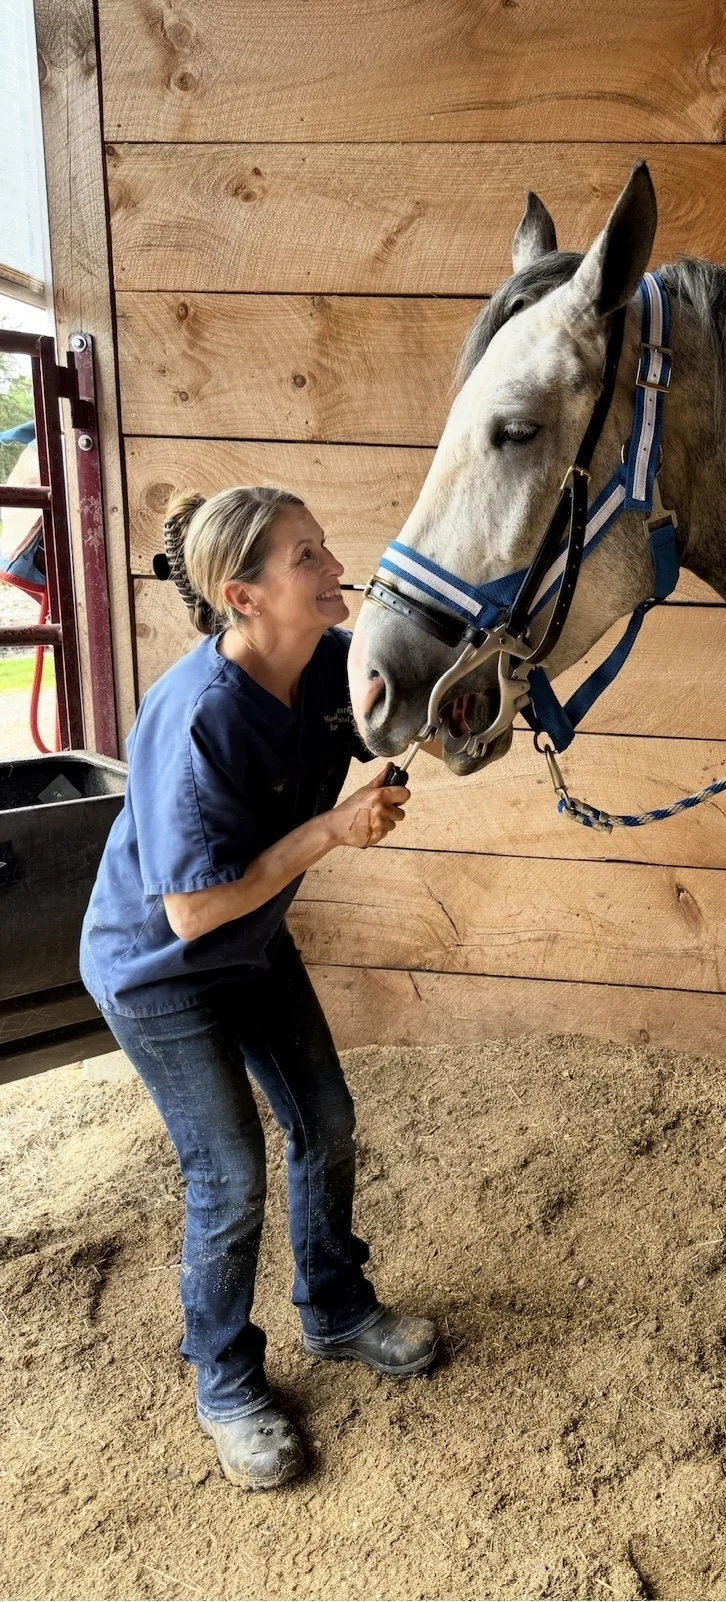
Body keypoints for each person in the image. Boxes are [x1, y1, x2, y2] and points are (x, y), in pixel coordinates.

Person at [80, 485, 435, 1492]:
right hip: (164, 976)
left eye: (325, 548)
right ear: (243, 596)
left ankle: (334, 1305)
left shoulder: (324, 661)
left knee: (326, 1121)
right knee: (229, 1177)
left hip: (254, 942)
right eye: (306, 559)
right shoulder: (197, 717)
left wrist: (466, 691)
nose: (334, 568)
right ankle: (226, 1382)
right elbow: (192, 913)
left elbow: (389, 715)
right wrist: (330, 832)